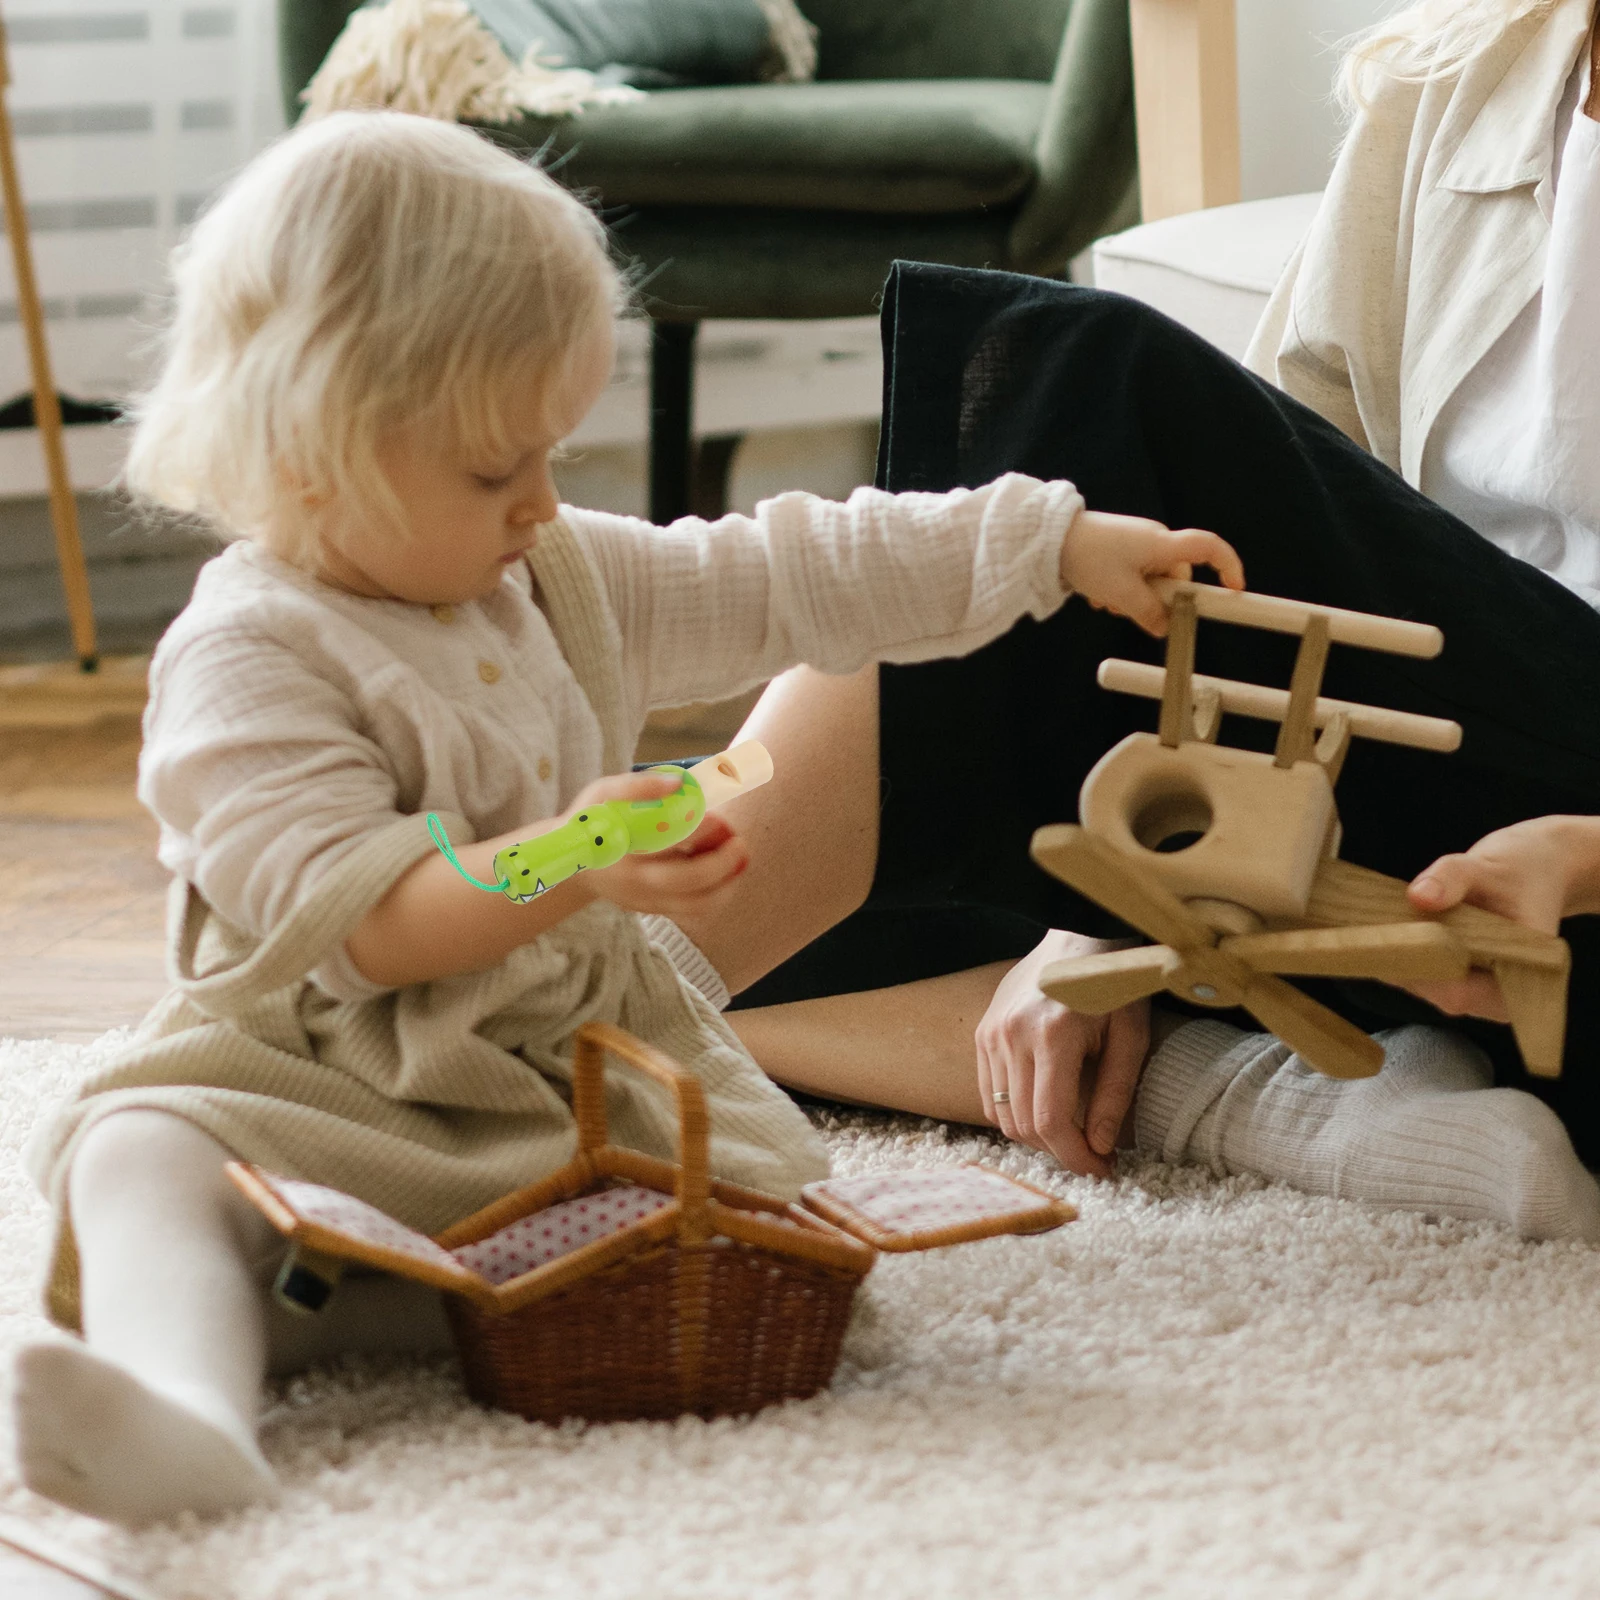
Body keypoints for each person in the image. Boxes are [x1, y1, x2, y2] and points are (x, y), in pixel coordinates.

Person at [12, 111, 1244, 1526]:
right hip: (322, 1072)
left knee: (756, 1239)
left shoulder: (552, 574)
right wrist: (583, 850)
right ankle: (189, 1408)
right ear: (310, 454)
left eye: (551, 452)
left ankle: (350, 1296)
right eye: (495, 470)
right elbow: (373, 927)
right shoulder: (246, 660)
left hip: (565, 1075)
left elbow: (793, 574)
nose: (541, 502)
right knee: (135, 1149)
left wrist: (1048, 545)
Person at [656, 0, 1600, 1246]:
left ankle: (539, 1056)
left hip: (1556, 875)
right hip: (1413, 816)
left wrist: (1581, 853)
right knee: (724, 847)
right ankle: (1288, 1107)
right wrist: (1103, 912)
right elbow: (1305, 511)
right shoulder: (1470, 74)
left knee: (1090, 384)